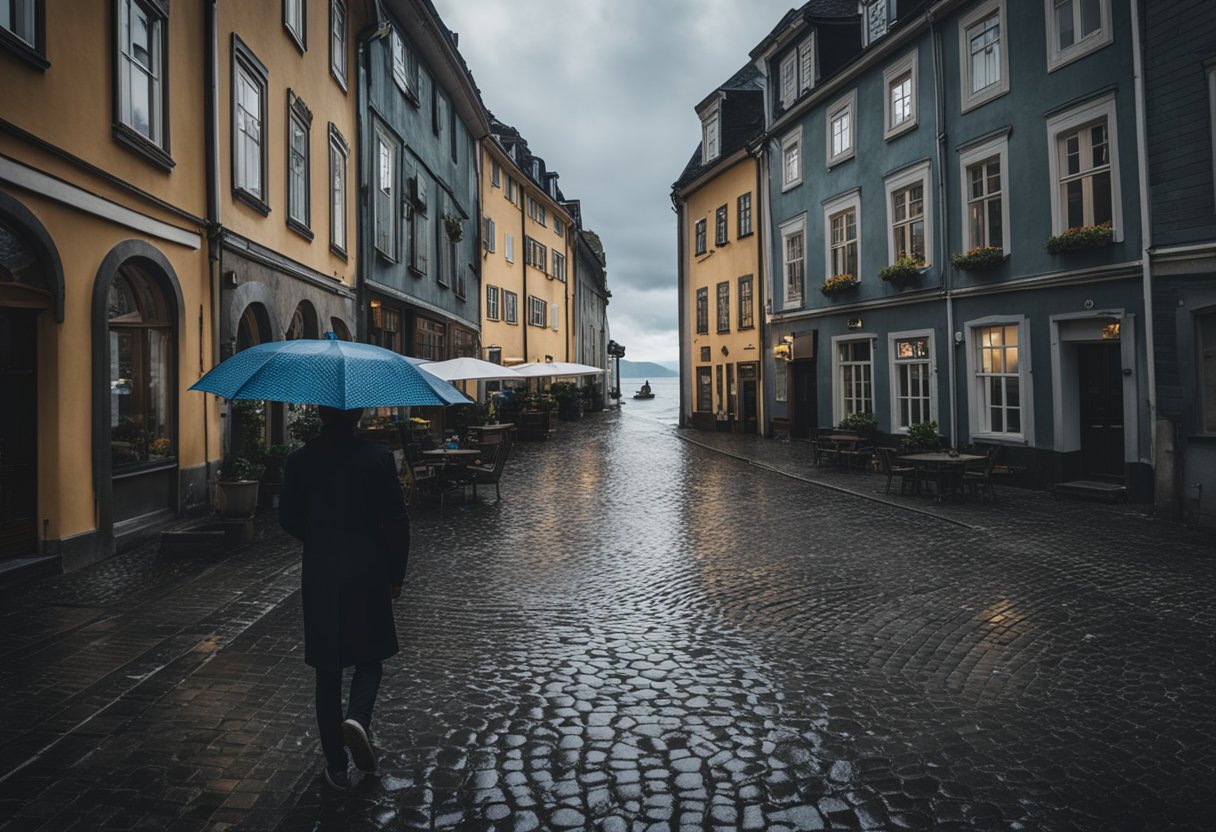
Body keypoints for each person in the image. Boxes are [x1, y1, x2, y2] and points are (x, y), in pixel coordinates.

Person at [278, 405, 410, 792]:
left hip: (321, 572)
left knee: (327, 669)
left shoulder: (300, 459)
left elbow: (287, 517)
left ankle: (336, 766)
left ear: (319, 414)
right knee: (370, 658)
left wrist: (319, 538)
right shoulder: (378, 457)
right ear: (359, 415)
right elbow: (397, 520)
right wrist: (396, 574)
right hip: (368, 568)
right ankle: (358, 720)